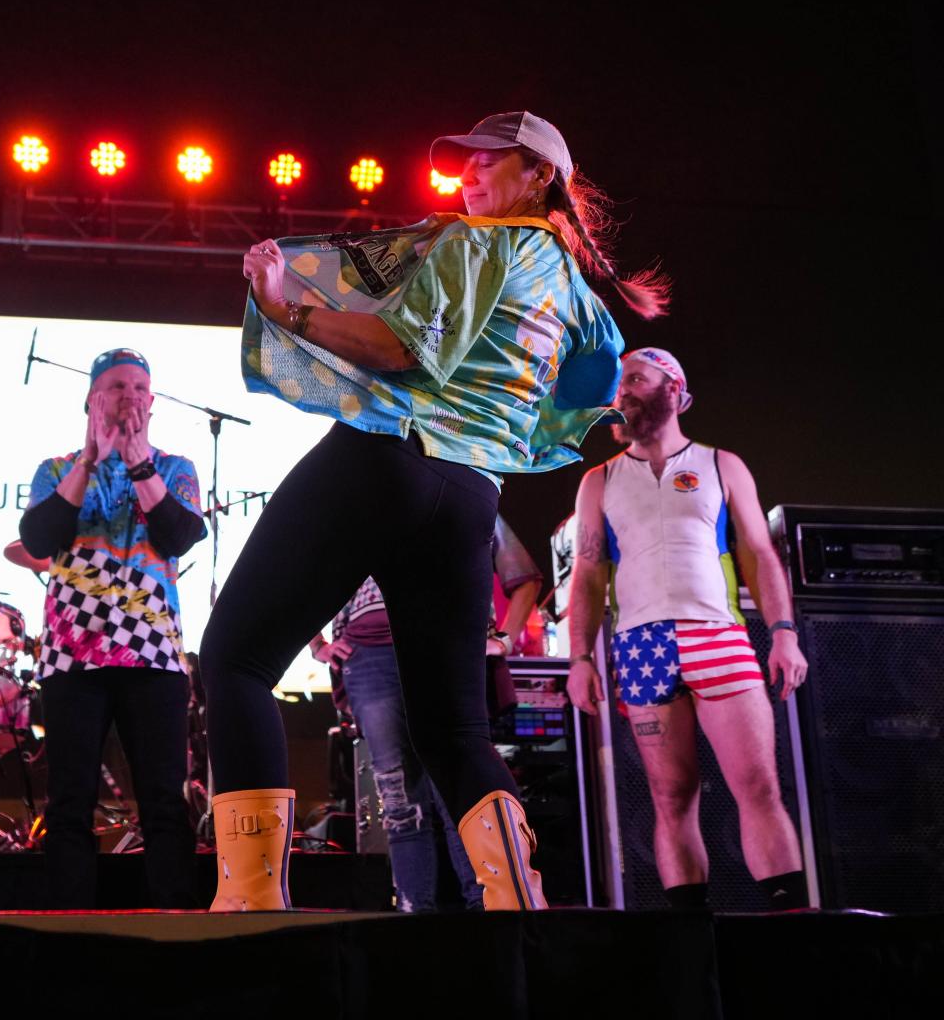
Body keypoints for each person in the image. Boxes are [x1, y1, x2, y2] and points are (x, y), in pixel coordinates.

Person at [200, 110, 668, 912]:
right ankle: (521, 917)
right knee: (455, 733)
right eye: (468, 163)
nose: (470, 175)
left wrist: (285, 307)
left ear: (540, 177)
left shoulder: (476, 243)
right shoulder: (582, 298)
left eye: (492, 162)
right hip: (470, 499)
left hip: (388, 458)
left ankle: (250, 908)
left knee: (235, 661)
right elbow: (588, 392)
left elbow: (400, 348)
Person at [567, 347, 808, 910]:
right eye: (617, 383)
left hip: (716, 634)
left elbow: (758, 552)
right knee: (670, 795)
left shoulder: (723, 464)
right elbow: (586, 574)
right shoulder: (597, 482)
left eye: (636, 380)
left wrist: (784, 631)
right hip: (641, 646)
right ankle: (688, 943)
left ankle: (795, 927)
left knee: (759, 787)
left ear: (673, 390)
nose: (620, 391)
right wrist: (580, 658)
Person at [19, 348, 207, 908]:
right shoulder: (55, 469)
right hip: (73, 656)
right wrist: (90, 460)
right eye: (117, 386)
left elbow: (177, 536)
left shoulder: (177, 469)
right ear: (91, 399)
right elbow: (38, 539)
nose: (130, 396)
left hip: (152, 655)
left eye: (140, 387)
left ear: (152, 402)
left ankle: (172, 926)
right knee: (69, 801)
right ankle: (69, 928)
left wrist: (138, 461)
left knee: (163, 802)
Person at [310, 514, 543, 913]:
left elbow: (525, 576)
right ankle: (415, 916)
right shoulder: (356, 502)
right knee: (399, 796)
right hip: (368, 657)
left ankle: (486, 909)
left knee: (459, 787)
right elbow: (306, 579)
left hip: (445, 643)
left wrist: (502, 639)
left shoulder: (462, 484)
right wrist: (317, 645)